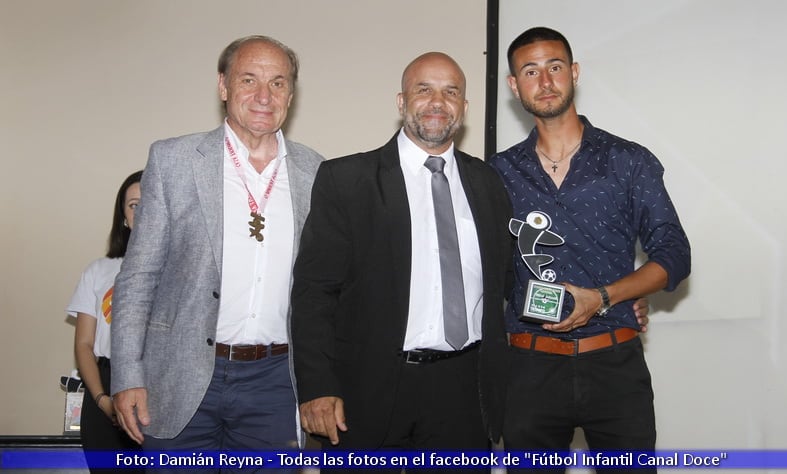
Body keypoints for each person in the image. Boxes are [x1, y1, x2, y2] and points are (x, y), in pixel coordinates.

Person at [290, 52, 513, 470]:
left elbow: (507, 281)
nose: (437, 102)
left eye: (451, 92)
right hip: (368, 390)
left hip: (464, 391)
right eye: (423, 89)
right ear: (400, 102)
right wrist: (317, 386)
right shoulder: (347, 180)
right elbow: (314, 293)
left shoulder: (488, 183)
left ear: (464, 108)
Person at [110, 35, 324, 466]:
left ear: (291, 94)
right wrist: (127, 375)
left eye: (278, 83)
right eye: (249, 80)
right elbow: (138, 277)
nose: (264, 96)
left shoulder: (317, 171)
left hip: (275, 383)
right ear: (223, 86)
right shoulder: (173, 160)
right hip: (180, 376)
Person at [487, 26, 692, 473]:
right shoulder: (496, 173)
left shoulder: (628, 161)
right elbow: (482, 268)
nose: (545, 81)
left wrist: (607, 296)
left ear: (574, 73)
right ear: (513, 85)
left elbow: (673, 254)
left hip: (614, 365)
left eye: (555, 67)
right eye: (530, 70)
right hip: (528, 370)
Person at [66, 170, 143, 474]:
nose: (142, 212)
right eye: (134, 205)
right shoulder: (99, 271)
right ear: (123, 216)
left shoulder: (185, 269)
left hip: (163, 391)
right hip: (106, 389)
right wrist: (102, 400)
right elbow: (84, 345)